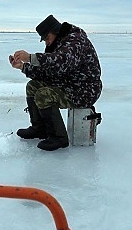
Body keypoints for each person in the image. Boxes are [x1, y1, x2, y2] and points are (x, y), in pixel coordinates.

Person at [9, 14, 102, 151]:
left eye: (47, 38)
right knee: (33, 86)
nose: (46, 43)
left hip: (85, 90)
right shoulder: (58, 44)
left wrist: (30, 57)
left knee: (44, 94)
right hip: (68, 86)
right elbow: (48, 72)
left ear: (56, 31)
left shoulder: (76, 41)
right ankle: (40, 129)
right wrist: (23, 67)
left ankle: (59, 137)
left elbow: (61, 62)